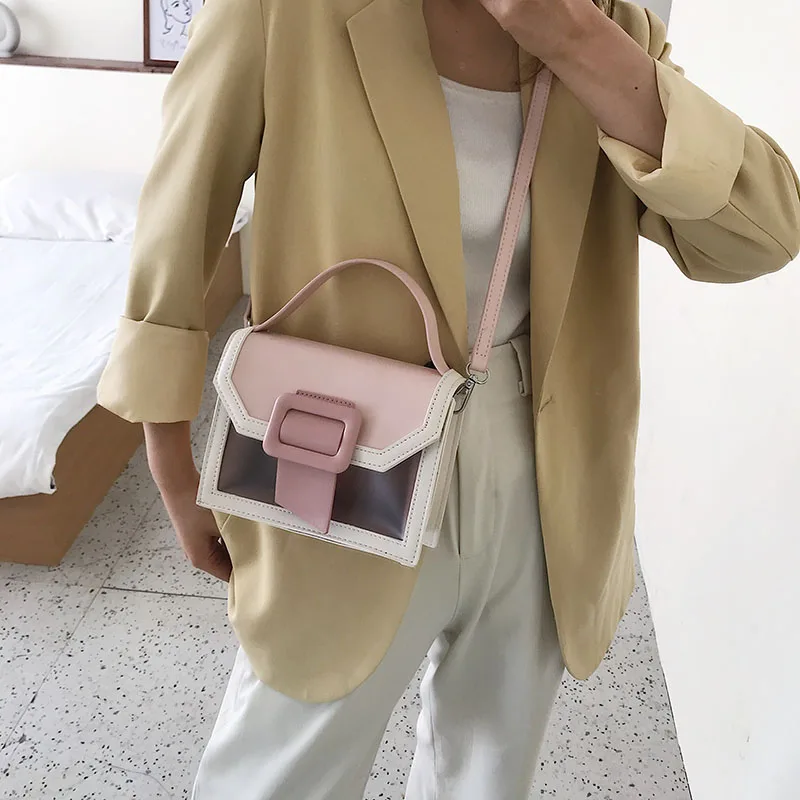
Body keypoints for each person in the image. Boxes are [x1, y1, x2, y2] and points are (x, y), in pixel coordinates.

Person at [97, 0, 800, 797]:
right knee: (285, 764)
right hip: (339, 448)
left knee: (487, 772)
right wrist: (167, 450)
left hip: (548, 464)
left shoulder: (606, 23)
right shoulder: (284, 11)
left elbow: (762, 232)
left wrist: (572, 37)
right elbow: (180, 215)